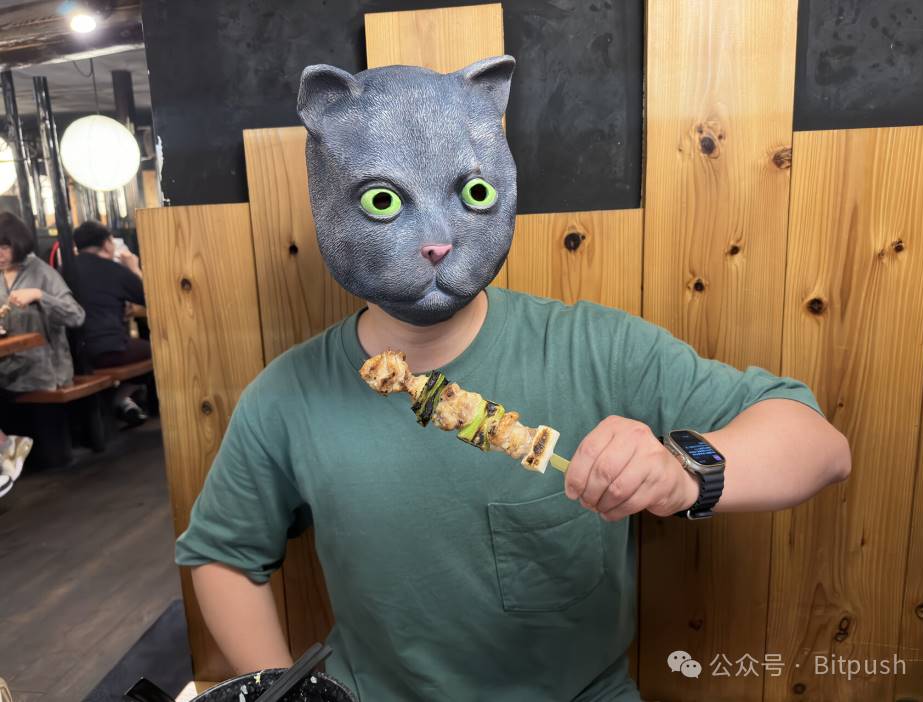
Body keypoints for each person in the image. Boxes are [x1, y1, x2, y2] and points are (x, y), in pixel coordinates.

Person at [175, 58, 851, 700]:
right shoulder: (287, 396)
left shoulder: (595, 349)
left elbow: (820, 445)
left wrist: (685, 473)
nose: (436, 240)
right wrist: (289, 693)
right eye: (383, 200)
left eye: (473, 194)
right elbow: (222, 554)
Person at [71, 220, 150, 426]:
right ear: (107, 244)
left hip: (75, 354)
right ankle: (118, 399)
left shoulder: (66, 269)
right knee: (161, 350)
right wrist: (133, 268)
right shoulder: (113, 269)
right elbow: (151, 298)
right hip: (108, 350)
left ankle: (121, 402)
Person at [0, 212, 85, 393]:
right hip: (7, 376)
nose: (0, 254)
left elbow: (76, 316)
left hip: (44, 376)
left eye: (4, 247)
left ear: (18, 243)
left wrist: (39, 295)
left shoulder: (41, 272)